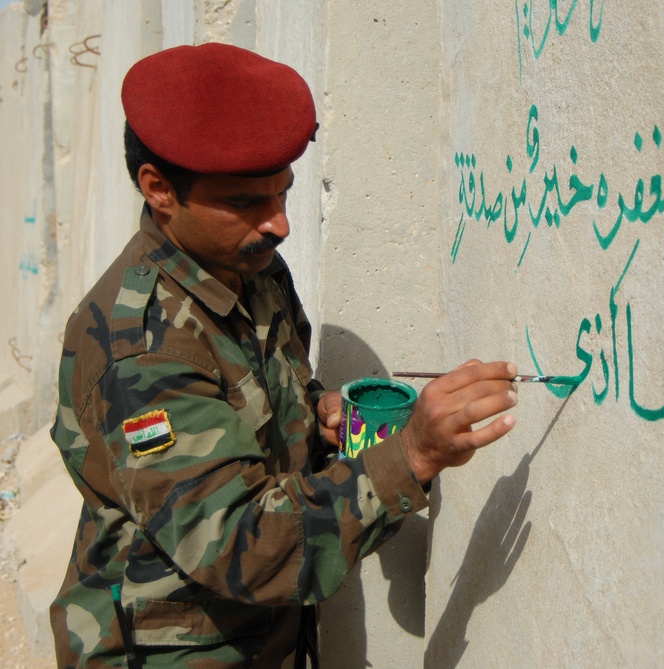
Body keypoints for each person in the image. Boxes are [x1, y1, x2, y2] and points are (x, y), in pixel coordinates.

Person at [48, 42, 518, 668]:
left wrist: (316, 419)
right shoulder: (142, 351)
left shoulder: (251, 271)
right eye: (246, 201)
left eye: (283, 193)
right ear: (159, 190)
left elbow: (260, 414)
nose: (280, 224)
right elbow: (242, 544)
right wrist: (410, 457)